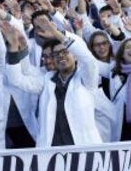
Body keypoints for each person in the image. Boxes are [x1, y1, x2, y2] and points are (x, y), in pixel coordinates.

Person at [6, 16, 103, 147]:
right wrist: (13, 48)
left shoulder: (86, 79)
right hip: (52, 150)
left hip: (83, 148)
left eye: (65, 52)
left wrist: (58, 34)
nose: (61, 56)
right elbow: (16, 80)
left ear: (75, 56)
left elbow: (89, 60)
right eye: (56, 54)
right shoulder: (47, 80)